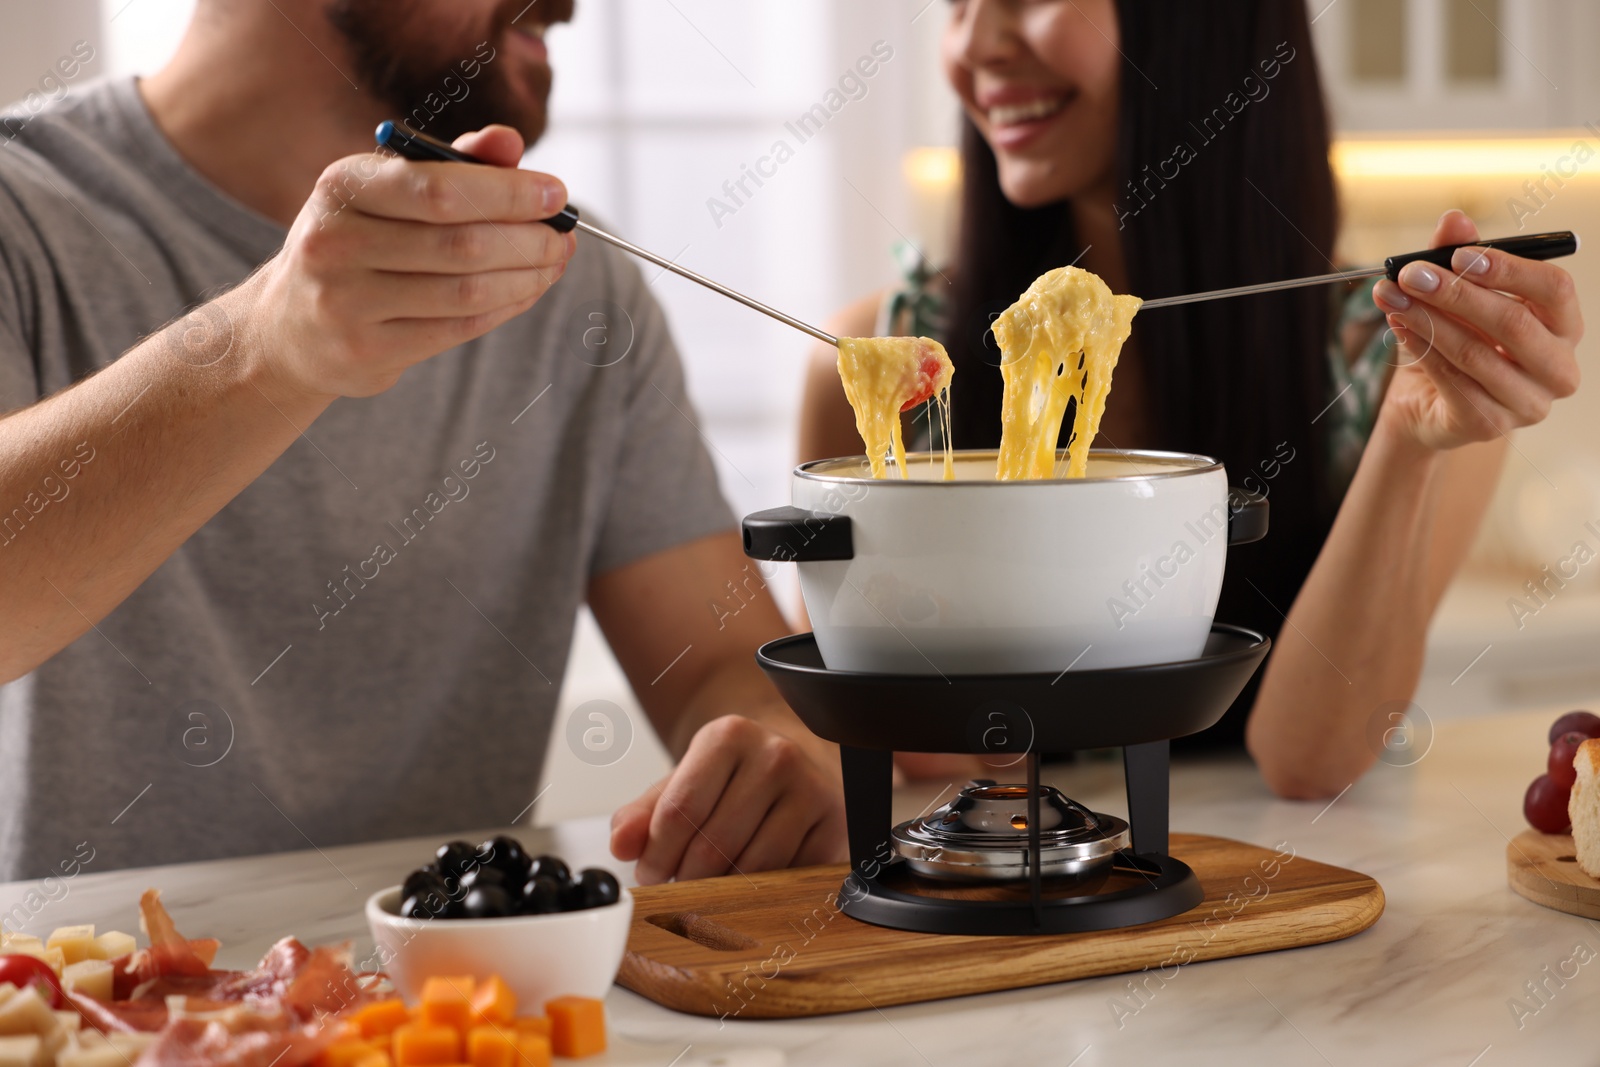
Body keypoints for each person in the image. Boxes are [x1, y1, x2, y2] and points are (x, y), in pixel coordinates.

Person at [0, 0, 847, 885]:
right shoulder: (22, 209)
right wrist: (266, 350)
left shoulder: (575, 285)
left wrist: (782, 748)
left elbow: (722, 667)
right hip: (86, 1008)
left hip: (458, 1013)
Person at [800, 0, 1582, 798]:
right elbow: (848, 739)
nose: (976, 44)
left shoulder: (1402, 369)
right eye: (958, 3)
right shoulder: (888, 365)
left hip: (1279, 886)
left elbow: (1310, 759)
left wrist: (1408, 437)